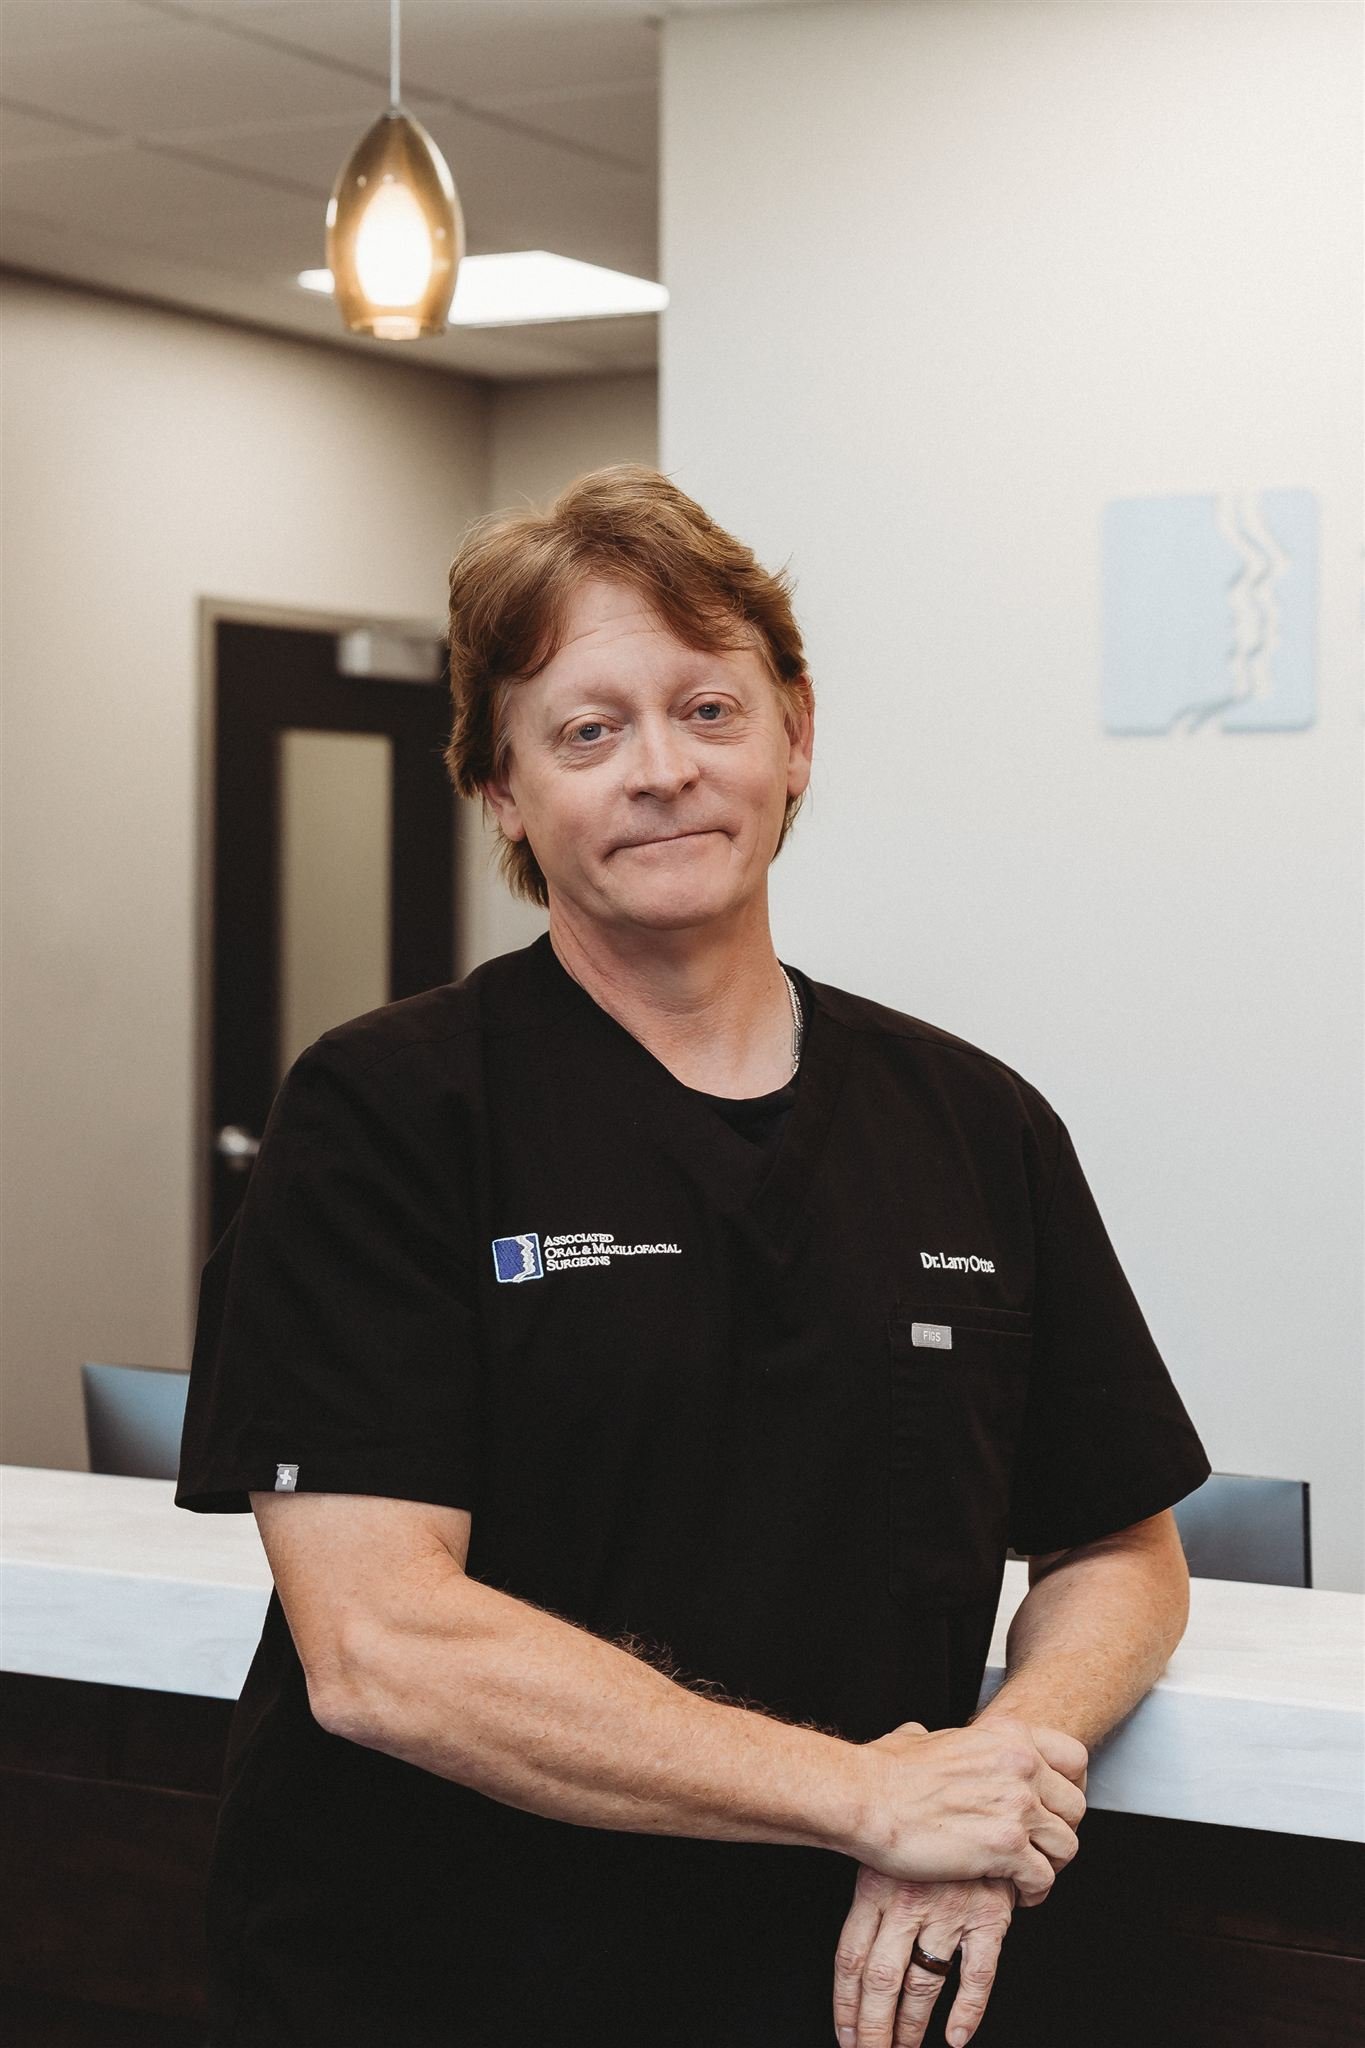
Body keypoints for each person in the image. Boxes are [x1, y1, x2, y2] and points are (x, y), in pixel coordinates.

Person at [176, 464, 1210, 2048]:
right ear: (502, 791)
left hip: (844, 1986)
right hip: (441, 1977)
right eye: (585, 731)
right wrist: (864, 1796)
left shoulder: (973, 1121)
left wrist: (997, 1773)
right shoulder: (386, 1114)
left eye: (708, 709)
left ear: (796, 736)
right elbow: (381, 1647)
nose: (661, 769)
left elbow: (1118, 1553)